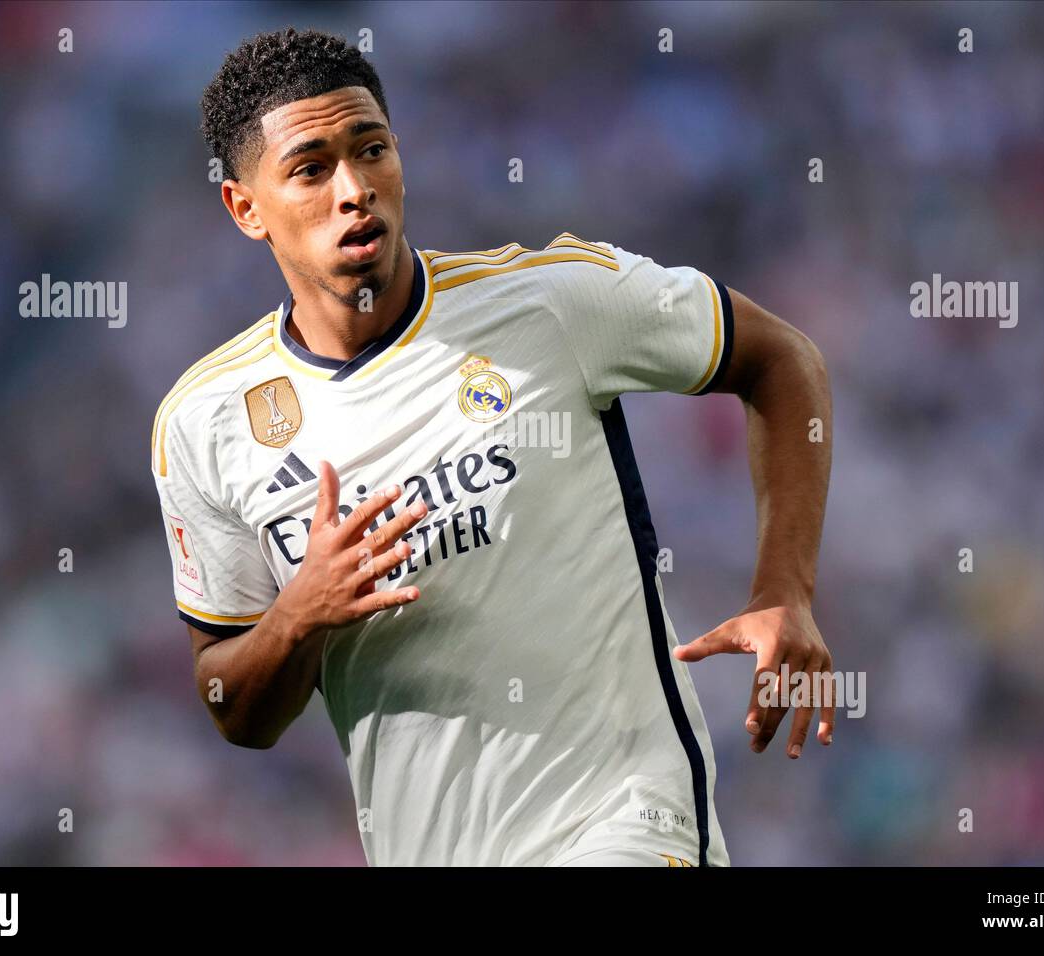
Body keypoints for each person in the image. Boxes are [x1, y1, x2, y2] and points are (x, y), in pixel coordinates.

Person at [152, 27, 833, 867]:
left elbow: (780, 358)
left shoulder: (551, 304)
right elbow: (235, 709)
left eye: (372, 150)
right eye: (311, 169)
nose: (355, 189)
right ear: (245, 208)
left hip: (624, 825)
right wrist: (299, 614)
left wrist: (785, 590)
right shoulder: (206, 422)